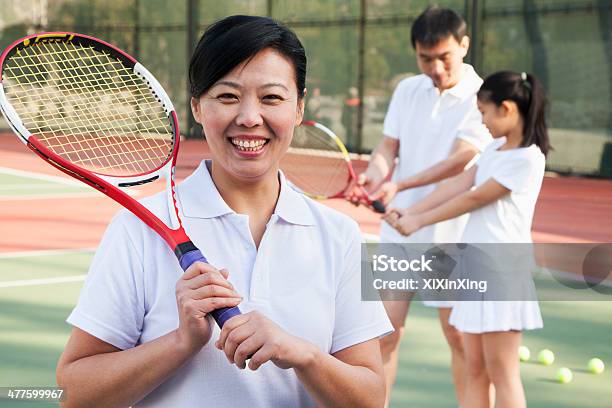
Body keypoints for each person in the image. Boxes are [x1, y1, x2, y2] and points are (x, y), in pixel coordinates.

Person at [56, 15, 392, 408]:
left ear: (299, 108)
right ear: (197, 106)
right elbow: (73, 394)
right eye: (228, 96)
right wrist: (181, 342)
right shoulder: (137, 229)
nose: (249, 117)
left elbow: (371, 398)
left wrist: (304, 355)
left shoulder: (339, 235)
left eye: (271, 98)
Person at [349, 7, 492, 405]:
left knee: (460, 337)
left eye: (444, 57)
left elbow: (461, 159)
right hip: (399, 231)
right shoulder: (408, 89)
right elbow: (388, 147)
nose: (436, 68)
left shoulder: (483, 97)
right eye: (425, 58)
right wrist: (375, 173)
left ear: (463, 46)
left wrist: (401, 183)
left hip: (454, 235)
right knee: (386, 332)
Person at [384, 71, 550, 408]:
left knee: (502, 372)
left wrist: (417, 220)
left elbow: (473, 199)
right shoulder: (493, 150)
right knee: (475, 368)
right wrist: (407, 209)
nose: (482, 120)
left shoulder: (527, 159)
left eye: (485, 112)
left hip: (502, 274)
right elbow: (457, 186)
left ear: (507, 109)